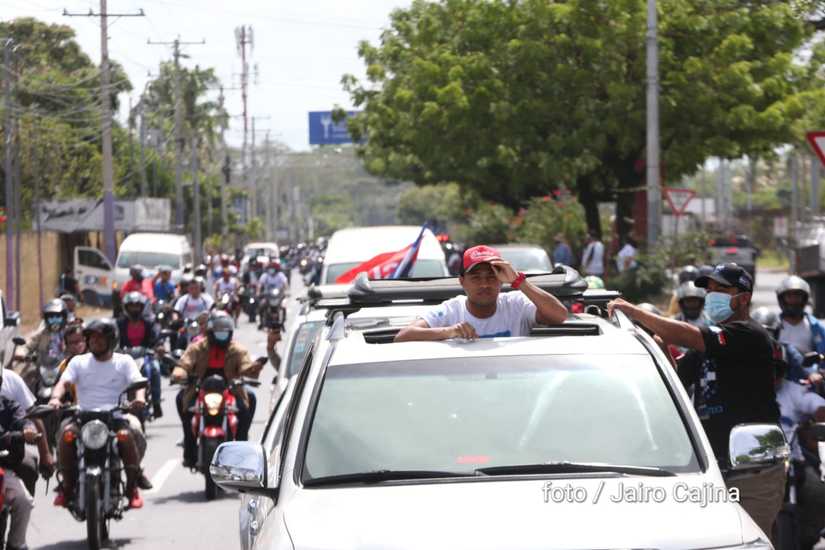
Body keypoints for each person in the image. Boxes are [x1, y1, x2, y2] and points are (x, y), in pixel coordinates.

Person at [608, 263, 784, 538]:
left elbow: (690, 335)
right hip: (709, 470)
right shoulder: (708, 345)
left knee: (748, 542)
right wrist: (659, 344)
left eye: (722, 289)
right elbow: (675, 378)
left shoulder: (749, 335)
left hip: (752, 474)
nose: (712, 295)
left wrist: (633, 311)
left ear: (745, 298)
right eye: (710, 289)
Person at [49, 319, 150, 510]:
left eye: (100, 338)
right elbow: (63, 383)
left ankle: (132, 486)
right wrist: (55, 398)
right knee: (65, 434)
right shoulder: (78, 362)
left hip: (116, 417)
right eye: (91, 338)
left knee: (130, 434)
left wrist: (139, 399)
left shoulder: (124, 361)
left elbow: (139, 383)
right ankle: (67, 486)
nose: (95, 341)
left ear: (111, 340)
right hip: (82, 417)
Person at [394, 245, 568, 342]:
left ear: (501, 280)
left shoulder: (517, 305)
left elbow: (559, 316)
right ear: (462, 282)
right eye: (476, 278)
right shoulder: (450, 310)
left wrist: (519, 281)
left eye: (492, 277)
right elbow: (403, 337)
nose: (484, 284)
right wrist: (449, 332)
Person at [171, 312, 265, 468]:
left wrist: (253, 368)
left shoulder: (237, 350)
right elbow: (184, 364)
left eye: (225, 332)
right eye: (218, 332)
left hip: (230, 389)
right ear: (209, 332)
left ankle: (241, 445)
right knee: (182, 400)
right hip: (200, 389)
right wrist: (179, 374)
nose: (222, 335)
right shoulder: (197, 348)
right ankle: (189, 448)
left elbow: (246, 366)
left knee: (250, 399)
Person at [773, 351, 825, 549]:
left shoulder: (793, 391)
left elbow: (818, 407)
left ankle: (806, 538)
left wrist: (813, 423)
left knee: (819, 494)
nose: (771, 375)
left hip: (791, 465)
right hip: (751, 465)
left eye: (776, 369)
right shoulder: (742, 393)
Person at [0, 363, 42, 550]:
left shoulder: (7, 404)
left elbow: (22, 417)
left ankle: (16, 544)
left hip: (3, 468)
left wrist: (29, 428)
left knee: (24, 501)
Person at [117, 292, 163, 418]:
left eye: (137, 306)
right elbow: (115, 340)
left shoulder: (149, 323)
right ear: (126, 307)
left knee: (155, 369)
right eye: (131, 306)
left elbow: (156, 338)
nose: (134, 309)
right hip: (125, 356)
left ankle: (157, 403)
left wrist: (158, 346)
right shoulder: (120, 323)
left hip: (146, 355)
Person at [14, 299, 68, 390]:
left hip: (65, 367)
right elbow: (28, 343)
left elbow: (80, 344)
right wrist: (21, 352)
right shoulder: (42, 333)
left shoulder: (69, 332)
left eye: (58, 317)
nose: (54, 320)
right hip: (43, 367)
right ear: (46, 319)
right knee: (25, 377)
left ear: (64, 317)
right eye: (51, 317)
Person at [775, 276, 825, 362]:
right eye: (789, 296)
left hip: (809, 373)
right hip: (780, 373)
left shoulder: (815, 326)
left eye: (797, 296)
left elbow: (822, 355)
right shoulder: (774, 325)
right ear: (782, 299)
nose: (793, 300)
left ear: (804, 299)